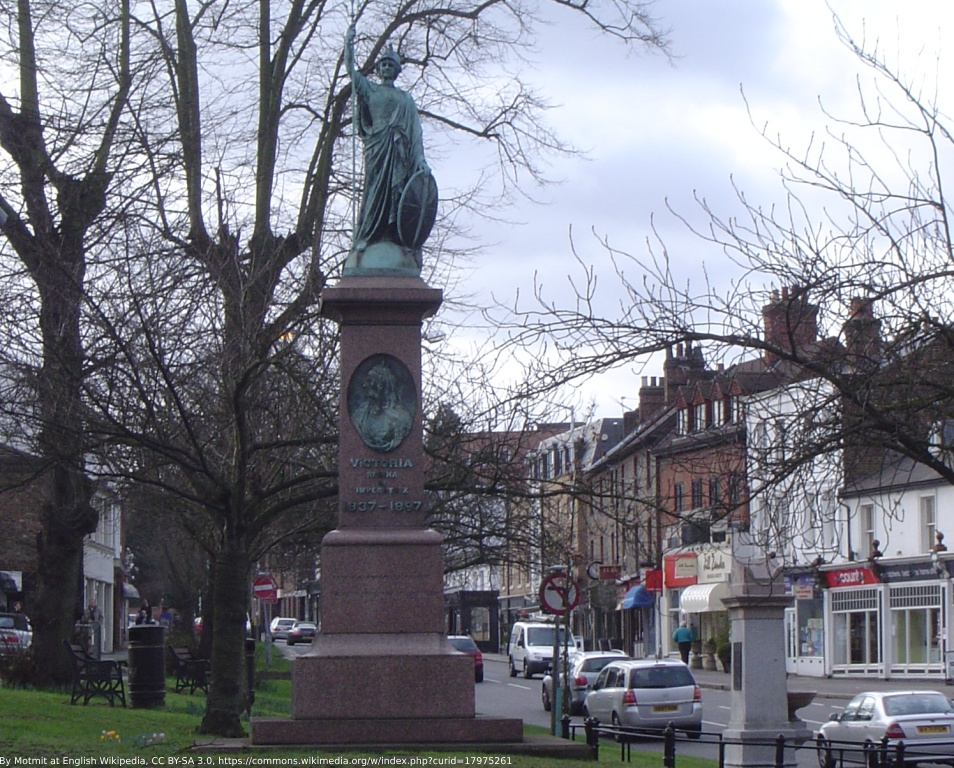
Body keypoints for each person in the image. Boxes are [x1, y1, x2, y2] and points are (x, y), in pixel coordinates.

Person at [343, 24, 433, 271]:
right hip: (377, 148)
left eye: (390, 65)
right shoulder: (369, 89)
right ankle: (368, 237)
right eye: (382, 65)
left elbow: (415, 134)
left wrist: (420, 160)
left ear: (396, 70)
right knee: (374, 192)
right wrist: (348, 44)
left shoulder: (406, 99)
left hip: (399, 153)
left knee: (398, 195)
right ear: (378, 69)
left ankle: (396, 239)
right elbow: (351, 71)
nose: (385, 68)